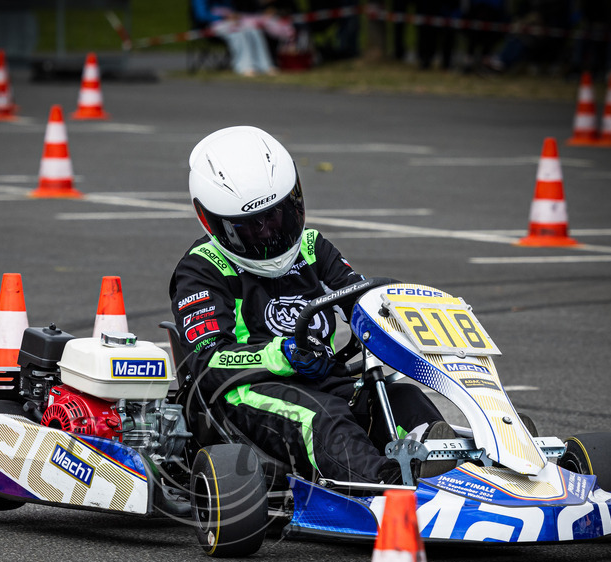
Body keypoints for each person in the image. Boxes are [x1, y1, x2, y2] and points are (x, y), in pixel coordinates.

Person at [169, 126, 453, 487]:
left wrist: (400, 323)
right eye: (250, 227)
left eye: (276, 216)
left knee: (402, 397)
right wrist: (281, 354)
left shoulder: (311, 246)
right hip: (248, 393)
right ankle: (390, 485)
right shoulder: (202, 268)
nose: (268, 232)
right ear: (214, 222)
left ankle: (458, 461)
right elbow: (206, 363)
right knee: (322, 416)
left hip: (324, 379)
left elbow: (362, 300)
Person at [191, 0, 281, 76]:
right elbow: (201, 16)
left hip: (232, 22)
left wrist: (235, 16)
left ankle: (265, 65)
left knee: (254, 31)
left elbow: (233, 10)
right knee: (237, 34)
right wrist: (223, 17)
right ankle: (244, 66)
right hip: (212, 26)